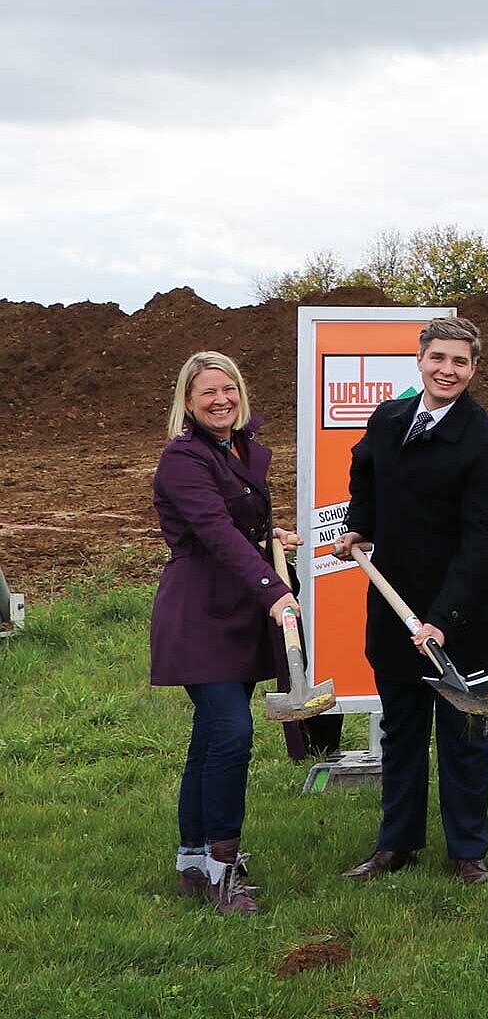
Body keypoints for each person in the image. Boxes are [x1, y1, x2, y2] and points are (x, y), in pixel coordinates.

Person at [340, 316, 488, 885]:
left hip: (461, 616)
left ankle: (468, 851)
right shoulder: (389, 419)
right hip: (394, 607)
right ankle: (397, 843)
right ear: (419, 361)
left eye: (460, 362)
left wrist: (443, 620)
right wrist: (359, 526)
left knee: (465, 733)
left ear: (474, 369)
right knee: (402, 731)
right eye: (438, 358)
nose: (447, 370)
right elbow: (363, 472)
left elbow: (482, 542)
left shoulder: (487, 443)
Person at [149, 351, 300, 914]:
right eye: (208, 392)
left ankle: (192, 861)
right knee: (233, 734)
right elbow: (213, 531)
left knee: (212, 737)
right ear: (188, 403)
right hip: (199, 616)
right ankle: (223, 868)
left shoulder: (241, 450)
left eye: (229, 389)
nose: (221, 400)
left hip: (236, 609)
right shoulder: (183, 459)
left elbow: (238, 525)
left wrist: (271, 539)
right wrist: (274, 589)